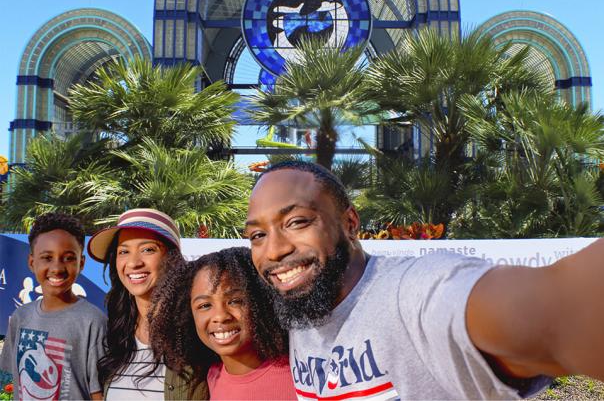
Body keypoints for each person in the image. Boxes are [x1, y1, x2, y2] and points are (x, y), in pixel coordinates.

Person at [244, 160, 604, 400]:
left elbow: (557, 309)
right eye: (257, 235)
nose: (273, 250)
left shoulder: (410, 292)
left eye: (297, 222)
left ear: (351, 224)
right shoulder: (302, 308)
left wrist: (563, 314)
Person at [87, 208, 208, 399]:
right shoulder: (115, 334)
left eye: (147, 249)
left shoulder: (196, 331)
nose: (134, 262)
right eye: (123, 251)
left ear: (172, 258)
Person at [149, 247, 297, 400]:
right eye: (205, 305)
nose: (220, 316)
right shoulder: (211, 378)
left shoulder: (298, 378)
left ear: (262, 301)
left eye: (235, 301)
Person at [0, 212, 106, 400]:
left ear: (81, 263)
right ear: (32, 262)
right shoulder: (20, 317)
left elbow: (99, 393)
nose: (57, 268)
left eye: (68, 258)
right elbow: (10, 381)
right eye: (47, 257)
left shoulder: (93, 322)